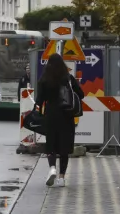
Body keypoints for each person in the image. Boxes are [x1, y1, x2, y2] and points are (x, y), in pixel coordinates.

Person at [36, 53, 84, 187]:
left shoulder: (44, 79)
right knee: (64, 146)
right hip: (66, 115)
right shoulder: (68, 78)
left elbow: (39, 100)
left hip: (51, 115)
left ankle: (52, 168)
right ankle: (61, 178)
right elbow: (81, 94)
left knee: (51, 144)